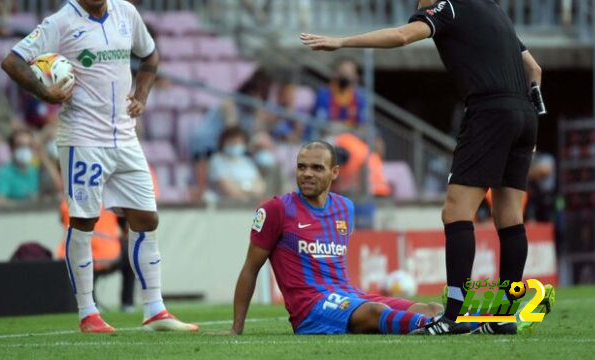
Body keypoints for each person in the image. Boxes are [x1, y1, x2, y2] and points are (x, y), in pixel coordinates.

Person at [301, 0, 553, 335]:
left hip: (489, 112)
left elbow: (403, 36)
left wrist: (342, 42)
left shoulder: (446, 8)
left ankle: (453, 317)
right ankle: (505, 315)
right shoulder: (493, 9)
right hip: (525, 113)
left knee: (455, 213)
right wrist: (529, 115)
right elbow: (534, 69)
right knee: (509, 216)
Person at [1, 0, 197, 333]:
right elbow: (12, 61)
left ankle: (154, 310)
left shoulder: (126, 13)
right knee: (84, 219)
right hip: (83, 138)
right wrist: (44, 92)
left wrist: (142, 94)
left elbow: (149, 55)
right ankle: (88, 312)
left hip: (125, 135)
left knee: (146, 217)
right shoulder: (61, 21)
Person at [224, 141, 442, 335]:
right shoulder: (277, 210)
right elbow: (250, 268)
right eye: (302, 167)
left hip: (349, 296)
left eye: (317, 168)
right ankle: (434, 326)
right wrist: (236, 328)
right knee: (376, 312)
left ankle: (472, 321)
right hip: (311, 309)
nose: (307, 173)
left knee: (433, 308)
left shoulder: (344, 207)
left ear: (334, 172)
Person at [209, 127, 266, 202]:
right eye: (232, 142)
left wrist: (242, 188)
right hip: (224, 206)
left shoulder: (247, 161)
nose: (235, 145)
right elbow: (228, 189)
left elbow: (261, 187)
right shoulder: (217, 160)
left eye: (239, 142)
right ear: (223, 143)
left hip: (249, 205)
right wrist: (250, 190)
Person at [0, 129, 39, 206]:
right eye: (20, 145)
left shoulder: (33, 171)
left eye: (29, 146)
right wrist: (25, 204)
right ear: (11, 148)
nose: (25, 149)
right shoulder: (4, 172)